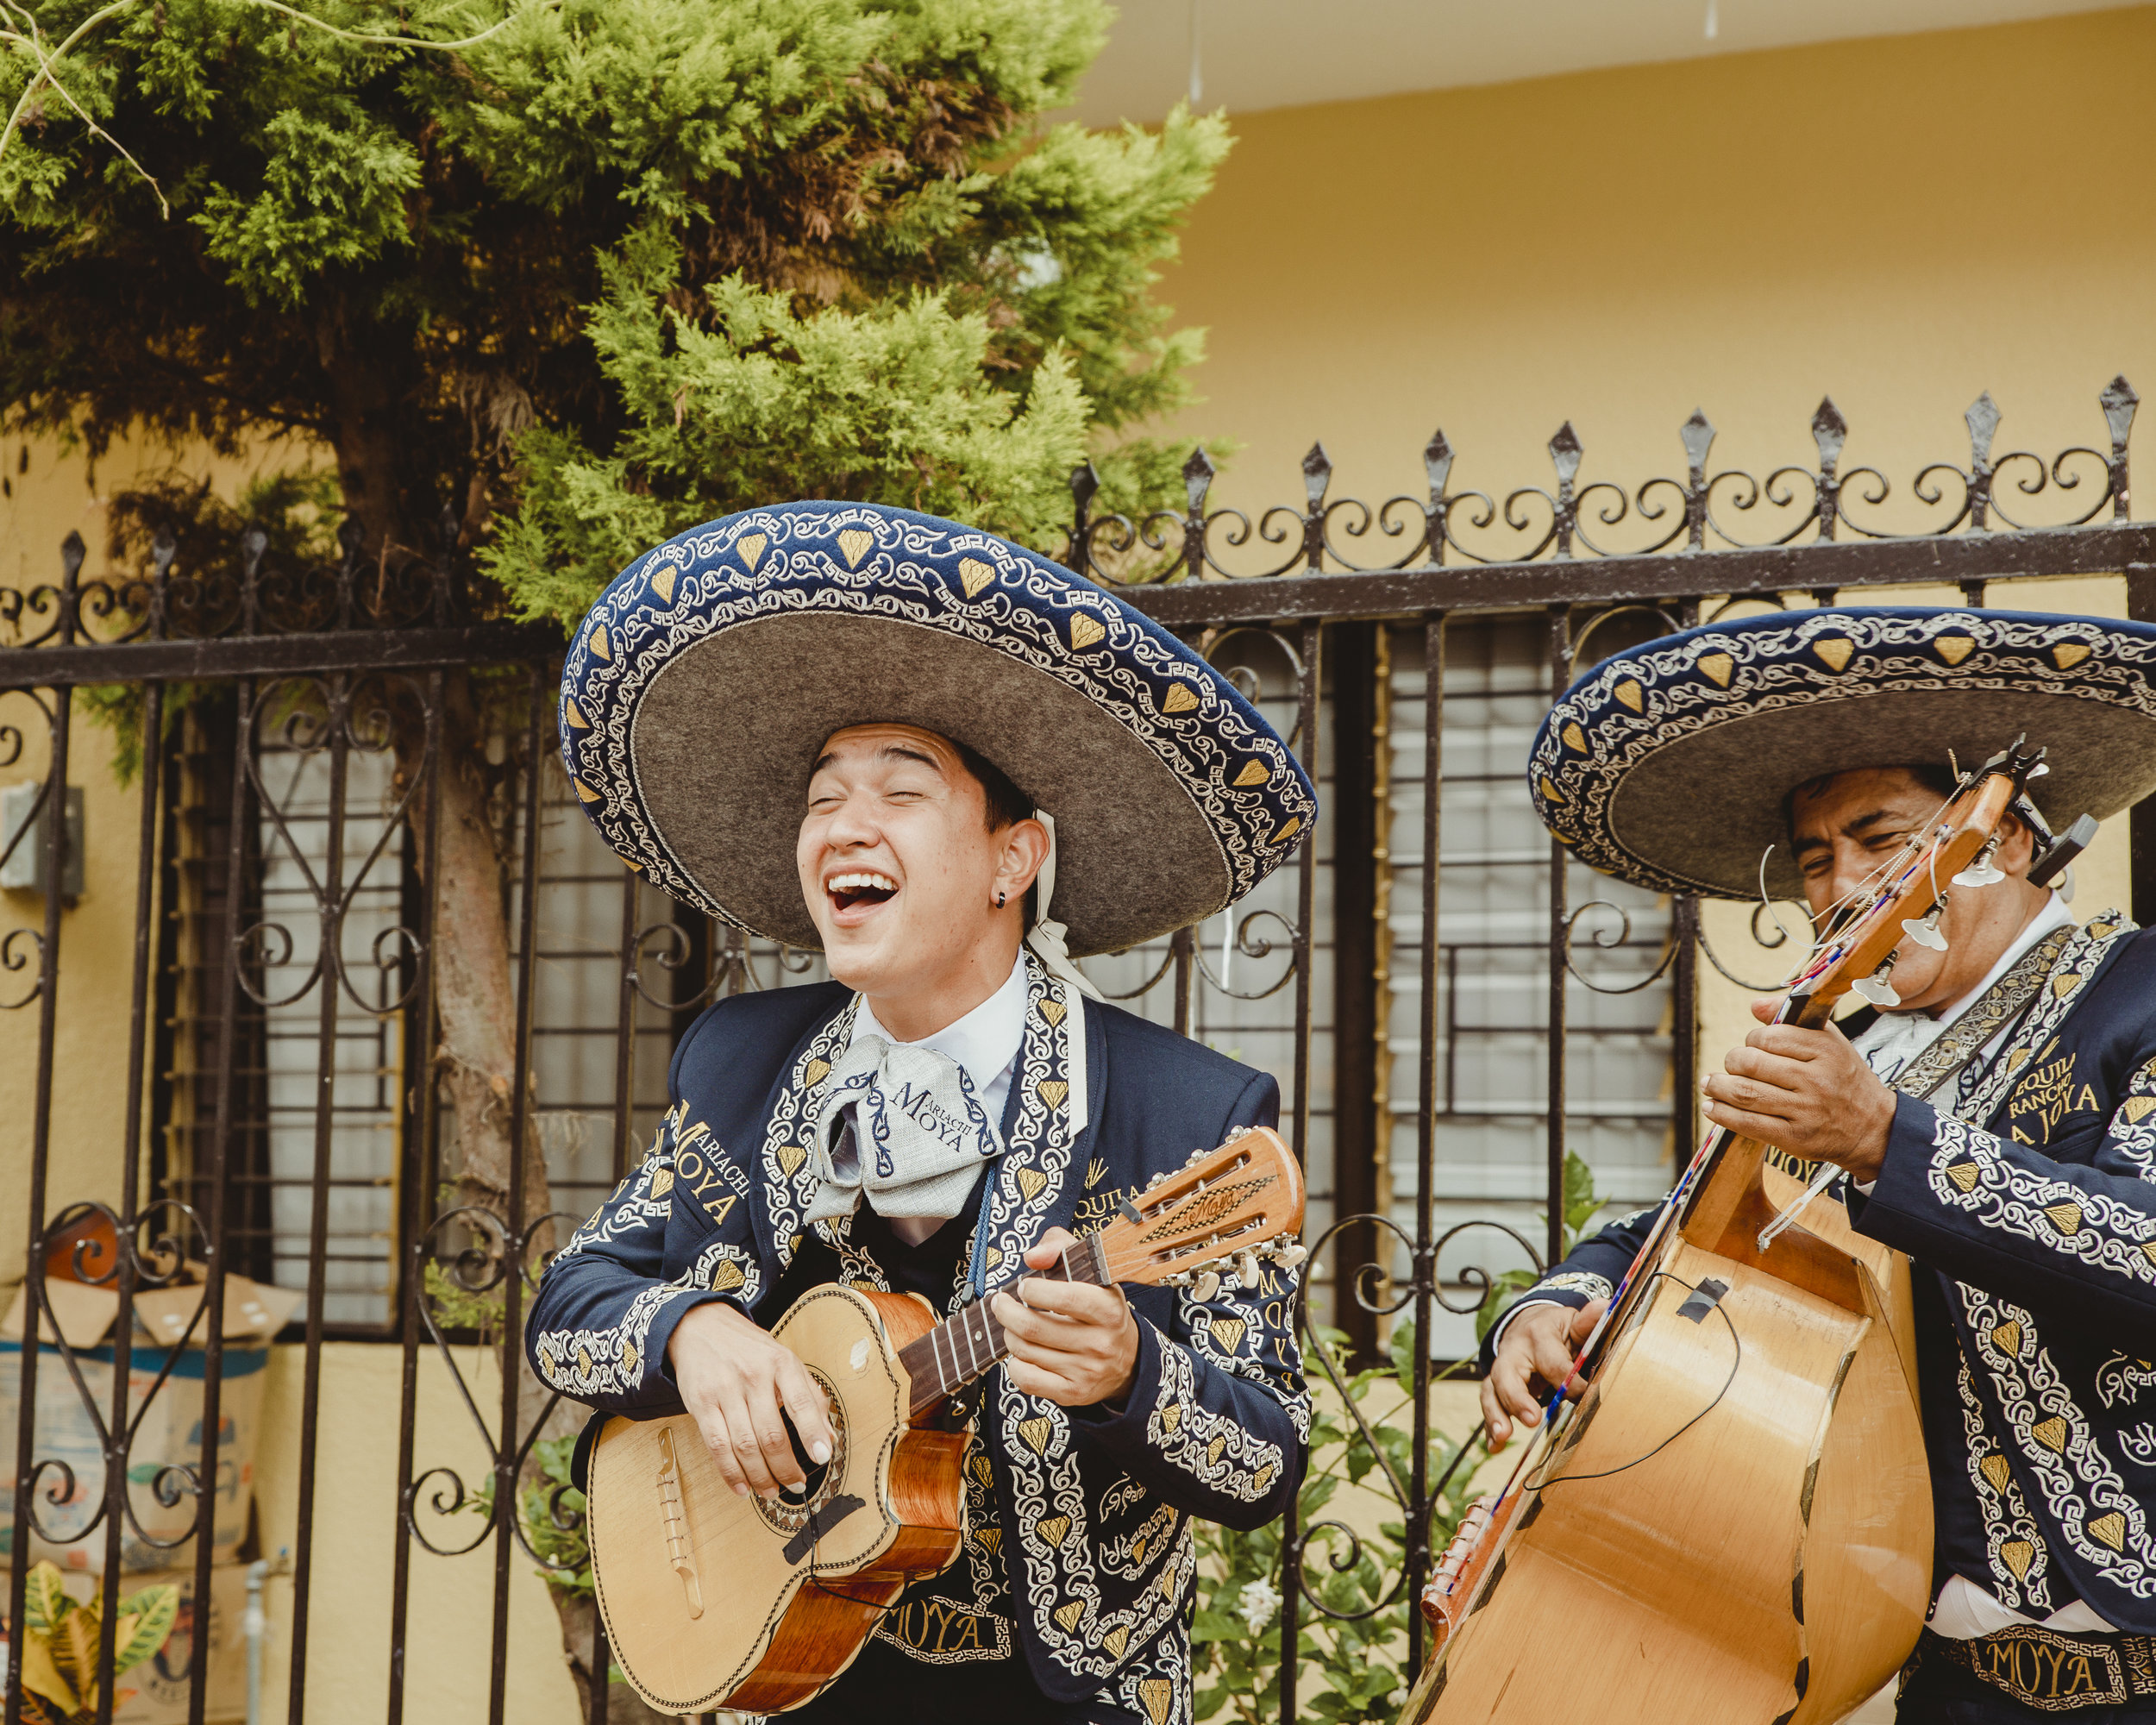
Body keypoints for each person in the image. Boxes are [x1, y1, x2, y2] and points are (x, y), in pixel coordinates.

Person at [526, 500, 1318, 1725]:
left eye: (902, 793)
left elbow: (1265, 1456)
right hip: (789, 1671)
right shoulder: (738, 1063)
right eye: (822, 799)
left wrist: (1129, 1374)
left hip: (1059, 1700)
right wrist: (693, 1334)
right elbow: (569, 1307)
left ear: (1015, 859)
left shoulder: (1193, 1114)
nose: (844, 825)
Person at [1481, 605, 2156, 1722]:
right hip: (1947, 1682)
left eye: (1883, 840)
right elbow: (1691, 1215)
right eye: (1816, 860)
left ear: (2014, 840)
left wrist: (1888, 1139)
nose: (1842, 888)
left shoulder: (2136, 988)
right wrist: (1564, 1298)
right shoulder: (1860, 1047)